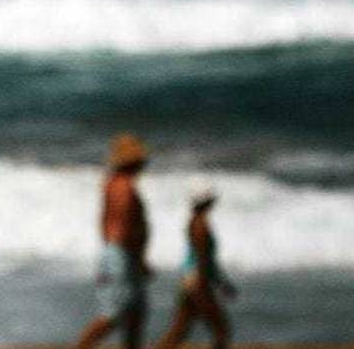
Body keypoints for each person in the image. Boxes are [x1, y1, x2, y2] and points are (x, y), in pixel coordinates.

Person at [75, 133, 151, 349]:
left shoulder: (112, 184)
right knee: (114, 314)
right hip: (123, 255)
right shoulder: (124, 187)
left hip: (119, 254)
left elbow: (105, 223)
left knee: (135, 313)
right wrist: (136, 256)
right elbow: (126, 228)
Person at [154, 181, 236, 349]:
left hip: (190, 279)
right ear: (207, 202)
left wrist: (219, 282)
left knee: (179, 330)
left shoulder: (195, 221)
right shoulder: (201, 225)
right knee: (220, 328)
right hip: (197, 281)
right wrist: (216, 283)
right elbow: (203, 258)